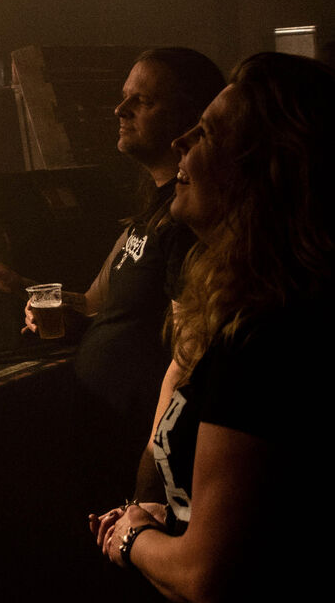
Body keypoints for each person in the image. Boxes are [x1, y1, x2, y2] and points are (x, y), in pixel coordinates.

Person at [92, 52, 335, 599]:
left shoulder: (268, 340)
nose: (182, 141)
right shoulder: (261, 309)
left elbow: (206, 575)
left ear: (264, 170)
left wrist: (132, 537)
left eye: (206, 132)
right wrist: (165, 517)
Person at [0, 47, 226, 501]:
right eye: (124, 97)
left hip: (138, 451)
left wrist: (151, 473)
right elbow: (94, 303)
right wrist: (19, 285)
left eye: (143, 101)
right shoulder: (155, 211)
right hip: (106, 439)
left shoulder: (187, 223)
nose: (121, 110)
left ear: (189, 118)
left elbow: (187, 367)